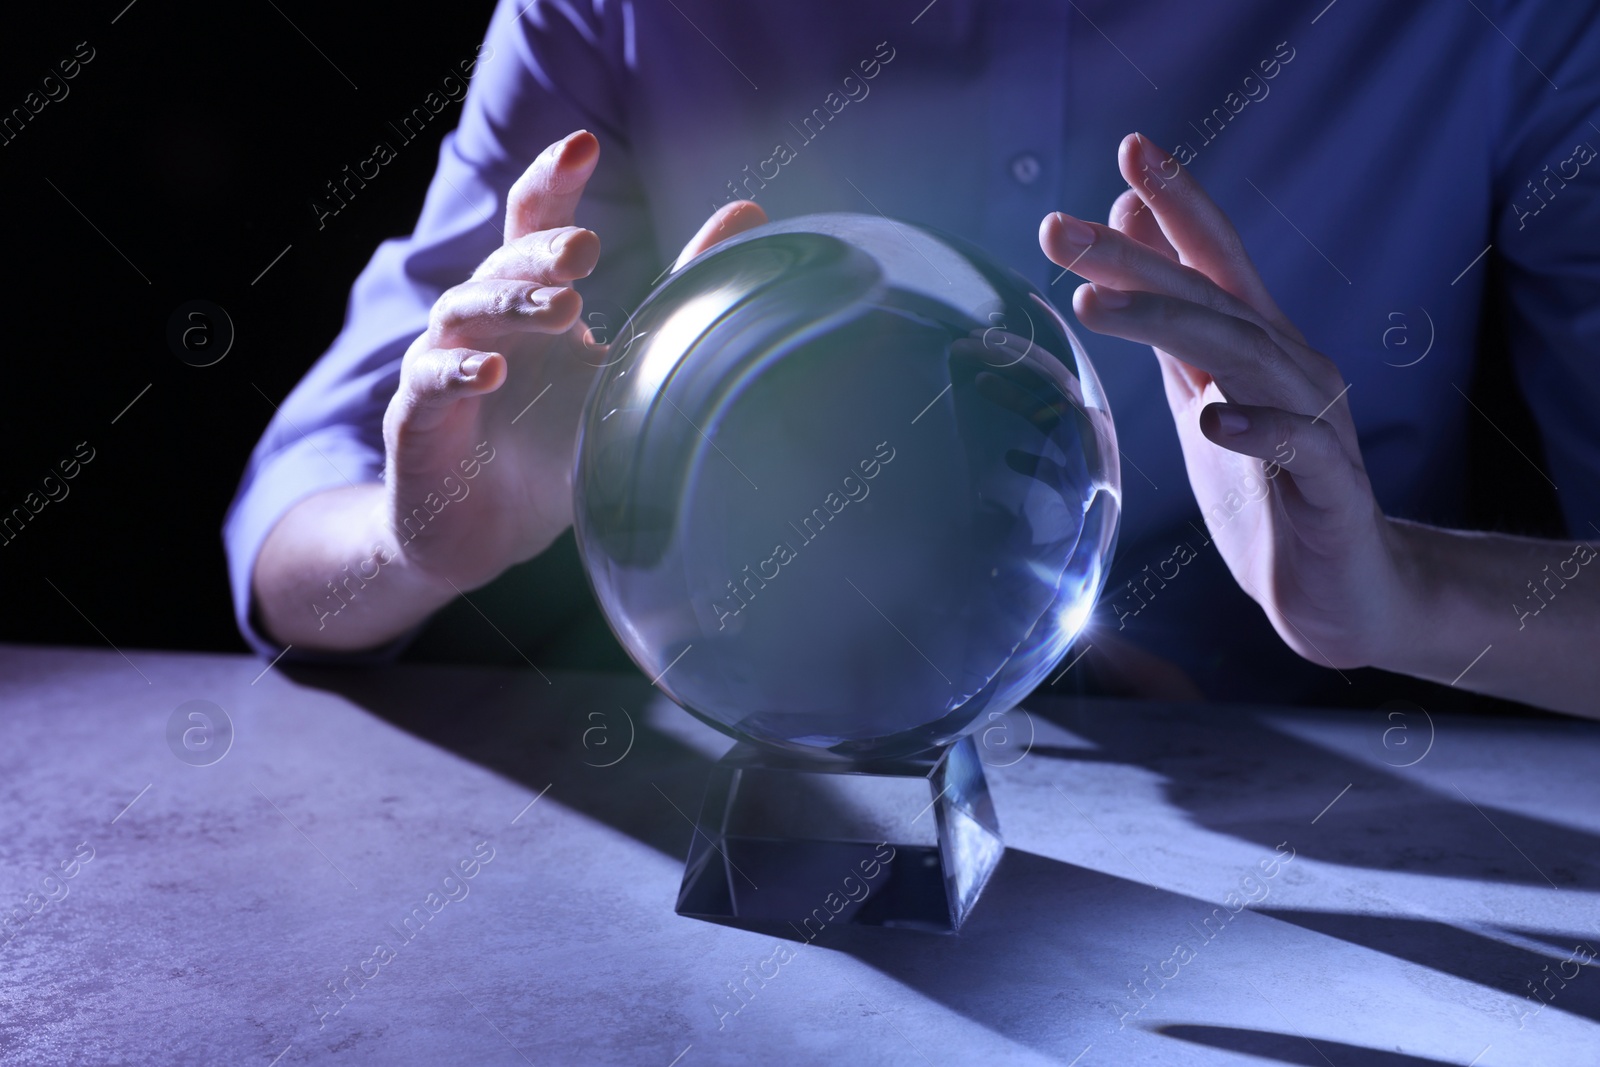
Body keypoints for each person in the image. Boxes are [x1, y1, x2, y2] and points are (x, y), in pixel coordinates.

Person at [225, 0, 1600, 717]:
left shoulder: (1502, 18)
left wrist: (1405, 593)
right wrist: (427, 541)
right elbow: (294, 530)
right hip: (750, 833)